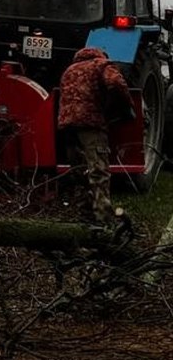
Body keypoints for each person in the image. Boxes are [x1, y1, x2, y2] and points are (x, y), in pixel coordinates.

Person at [57, 46, 134, 226]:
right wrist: (124, 107)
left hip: (67, 126)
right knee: (98, 171)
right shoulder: (102, 65)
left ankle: (82, 217)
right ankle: (104, 221)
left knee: (79, 172)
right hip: (90, 124)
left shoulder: (69, 70)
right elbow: (116, 84)